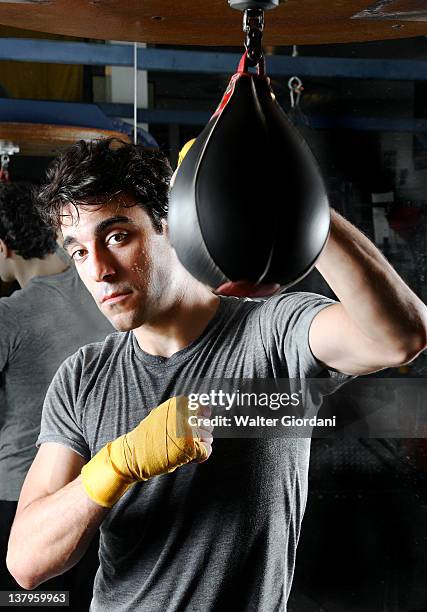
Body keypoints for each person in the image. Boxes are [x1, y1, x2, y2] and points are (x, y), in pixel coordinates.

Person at [6, 138, 427, 611]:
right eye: (79, 252)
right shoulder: (83, 377)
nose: (99, 270)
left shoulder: (272, 334)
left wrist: (294, 199)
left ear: (172, 226)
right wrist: (115, 466)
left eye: (118, 236)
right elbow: (26, 562)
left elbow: (401, 337)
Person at [0, 182, 113, 595]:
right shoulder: (103, 284)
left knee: (26, 601)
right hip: (95, 492)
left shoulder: (10, 316)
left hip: (20, 499)